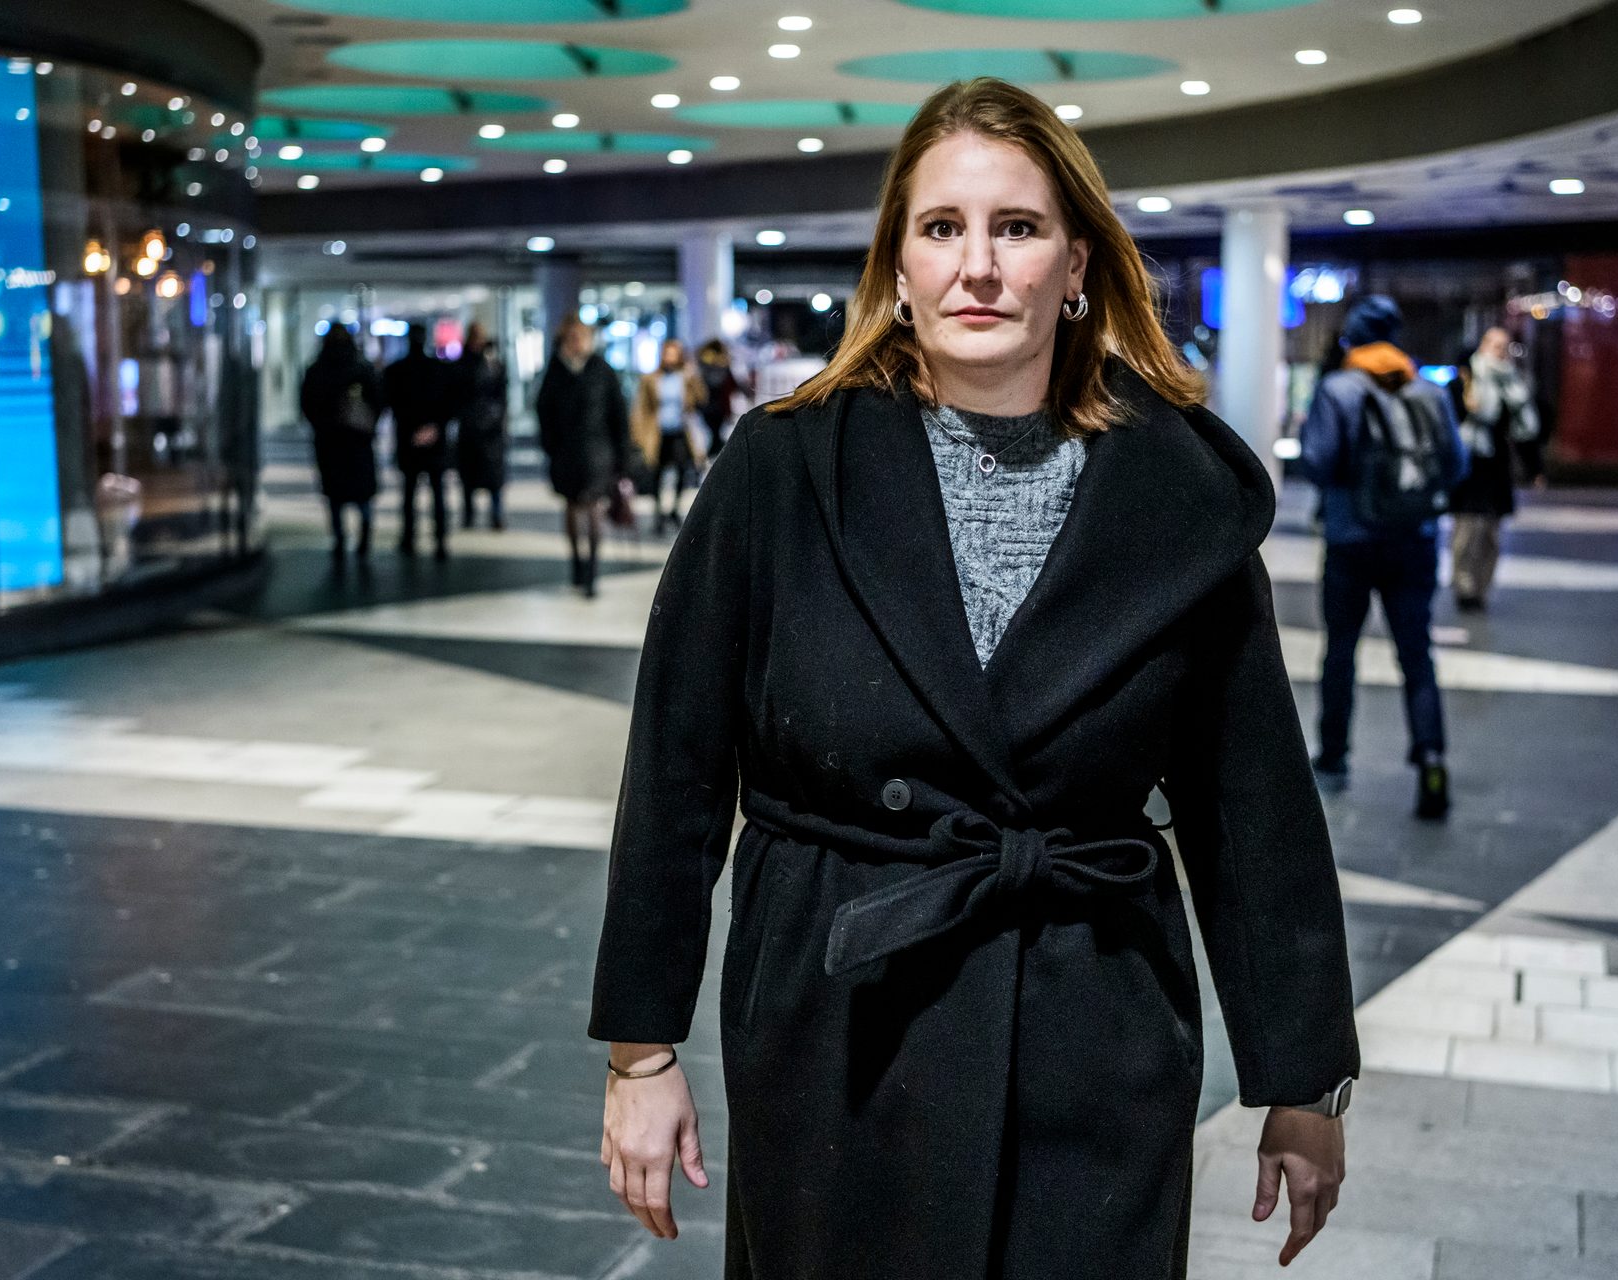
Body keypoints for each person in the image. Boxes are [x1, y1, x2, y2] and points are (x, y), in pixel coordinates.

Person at [589, 78, 1358, 1280]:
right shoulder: (784, 471)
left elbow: (1249, 802)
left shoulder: (1180, 497)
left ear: (1079, 265)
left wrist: (1302, 1074)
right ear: (897, 266)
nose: (979, 266)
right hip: (844, 1009)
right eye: (943, 228)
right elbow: (677, 770)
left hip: (1092, 1015)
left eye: (1019, 227)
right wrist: (642, 1053)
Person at [1300, 294, 1467, 820]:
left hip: (1351, 540)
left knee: (1341, 650)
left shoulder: (1338, 388)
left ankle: (1332, 758)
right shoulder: (1427, 390)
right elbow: (1455, 465)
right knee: (1417, 657)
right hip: (1414, 540)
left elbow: (1319, 463)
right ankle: (1433, 761)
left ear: (1352, 337)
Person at [536, 314, 630, 597]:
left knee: (592, 507)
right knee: (572, 506)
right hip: (566, 453)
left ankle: (591, 570)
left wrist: (622, 456)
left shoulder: (602, 369)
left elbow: (618, 414)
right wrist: (551, 446)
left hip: (597, 451)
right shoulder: (555, 370)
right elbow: (544, 412)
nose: (577, 342)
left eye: (581, 337)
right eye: (572, 337)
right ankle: (577, 561)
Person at [1449, 326, 1537, 611]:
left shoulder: (1512, 383)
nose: (1499, 352)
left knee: (1491, 536)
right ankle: (1464, 587)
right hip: (1469, 466)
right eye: (1494, 345)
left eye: (1503, 346)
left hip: (1497, 469)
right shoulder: (1465, 378)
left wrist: (1534, 467)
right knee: (1465, 533)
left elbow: (1526, 428)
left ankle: (1481, 589)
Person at [298, 325, 383, 563]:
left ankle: (340, 539)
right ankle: (364, 538)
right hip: (357, 441)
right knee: (362, 495)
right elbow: (378, 402)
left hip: (330, 442)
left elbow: (307, 405)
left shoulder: (317, 370)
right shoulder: (361, 368)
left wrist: (325, 424)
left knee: (335, 497)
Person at [383, 321, 455, 560]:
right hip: (432, 439)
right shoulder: (440, 369)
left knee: (410, 491)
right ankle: (440, 539)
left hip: (409, 439)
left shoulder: (397, 370)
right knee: (436, 492)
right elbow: (449, 404)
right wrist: (434, 427)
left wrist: (415, 429)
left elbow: (392, 403)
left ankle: (409, 537)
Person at [631, 338, 707, 532]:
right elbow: (641, 407)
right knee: (657, 472)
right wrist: (637, 434)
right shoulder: (651, 378)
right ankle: (659, 513)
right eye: (667, 353)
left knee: (683, 469)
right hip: (658, 432)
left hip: (681, 431)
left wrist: (693, 376)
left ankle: (674, 509)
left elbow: (702, 398)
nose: (669, 358)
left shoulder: (687, 377)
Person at [454, 321, 511, 530]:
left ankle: (496, 515)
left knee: (494, 478)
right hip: (470, 428)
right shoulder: (464, 363)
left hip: (491, 429)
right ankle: (469, 514)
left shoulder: (493, 363)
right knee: (469, 476)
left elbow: (502, 394)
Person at [695, 338, 743, 458]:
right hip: (707, 406)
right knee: (710, 437)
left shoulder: (721, 366)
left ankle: (715, 458)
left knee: (716, 435)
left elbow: (734, 384)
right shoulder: (706, 365)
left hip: (720, 407)